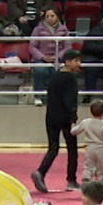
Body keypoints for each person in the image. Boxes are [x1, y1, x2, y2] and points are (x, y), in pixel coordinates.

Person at [33, 50, 81, 193]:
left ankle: (41, 172)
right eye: (76, 61)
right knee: (72, 149)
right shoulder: (70, 79)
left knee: (53, 148)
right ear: (67, 62)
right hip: (65, 117)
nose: (79, 64)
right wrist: (73, 118)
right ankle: (71, 180)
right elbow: (70, 100)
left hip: (51, 116)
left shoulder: (54, 76)